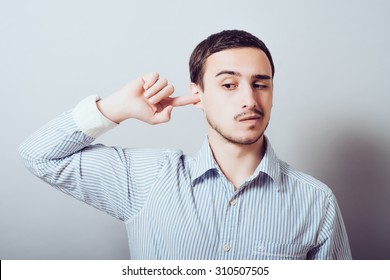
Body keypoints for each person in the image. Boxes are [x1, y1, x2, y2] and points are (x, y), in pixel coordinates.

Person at [19, 30, 352, 260]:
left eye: (260, 84)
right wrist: (114, 108)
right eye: (229, 84)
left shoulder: (315, 201)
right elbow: (39, 155)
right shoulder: (147, 180)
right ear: (198, 96)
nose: (249, 99)